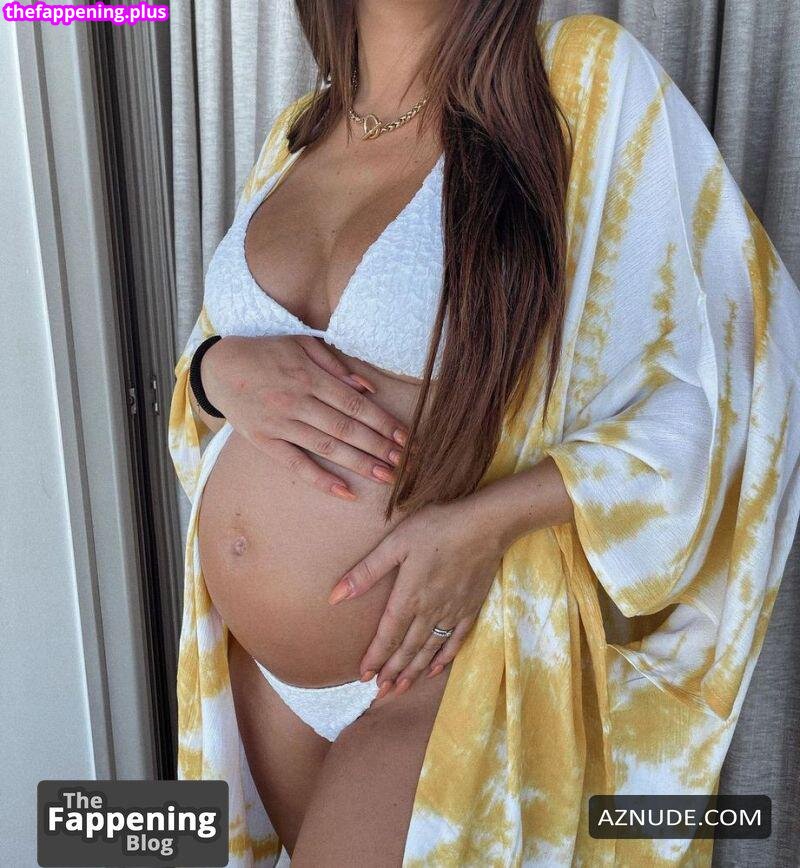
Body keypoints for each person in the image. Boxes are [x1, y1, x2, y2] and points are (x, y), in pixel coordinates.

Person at [168, 3, 800, 865]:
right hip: (260, 675)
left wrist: (488, 523)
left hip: (447, 662)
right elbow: (210, 389)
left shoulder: (578, 81)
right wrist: (216, 372)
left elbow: (731, 369)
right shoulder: (295, 134)